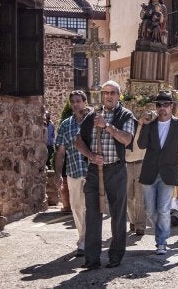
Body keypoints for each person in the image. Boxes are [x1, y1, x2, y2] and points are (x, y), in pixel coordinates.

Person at [75, 80, 136, 270]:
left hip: (116, 169)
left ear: (119, 96)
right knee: (92, 214)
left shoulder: (125, 115)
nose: (108, 96)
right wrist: (91, 155)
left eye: (112, 93)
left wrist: (107, 126)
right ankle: (92, 259)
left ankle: (115, 256)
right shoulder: (92, 116)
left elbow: (127, 139)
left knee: (118, 214)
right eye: (105, 93)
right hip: (94, 171)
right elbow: (78, 141)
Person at [137, 90, 178, 255]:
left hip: (169, 173)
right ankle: (161, 234)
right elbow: (142, 145)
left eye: (165, 104)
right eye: (159, 105)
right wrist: (142, 124)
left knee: (163, 209)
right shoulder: (150, 124)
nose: (162, 108)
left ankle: (161, 242)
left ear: (172, 106)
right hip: (149, 172)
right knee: (150, 210)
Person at [54, 90, 90, 258]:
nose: (75, 104)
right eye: (73, 102)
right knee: (76, 207)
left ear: (84, 102)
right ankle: (83, 238)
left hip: (92, 171)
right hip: (74, 171)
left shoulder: (92, 120)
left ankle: (85, 242)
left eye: (78, 101)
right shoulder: (65, 125)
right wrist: (58, 174)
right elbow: (60, 152)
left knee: (90, 207)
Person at [126, 129, 147, 236]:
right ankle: (133, 220)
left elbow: (153, 116)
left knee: (140, 196)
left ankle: (140, 225)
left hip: (141, 164)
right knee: (128, 197)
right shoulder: (125, 125)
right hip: (126, 165)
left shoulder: (143, 125)